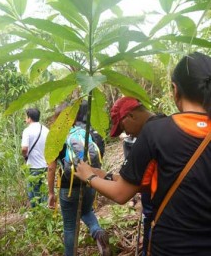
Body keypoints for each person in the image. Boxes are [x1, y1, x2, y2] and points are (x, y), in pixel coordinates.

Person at [75, 52, 211, 256]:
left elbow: (122, 194)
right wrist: (106, 175)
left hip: (170, 247)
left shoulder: (156, 132)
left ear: (175, 90)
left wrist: (89, 175)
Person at [48, 101, 111, 256]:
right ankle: (97, 232)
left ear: (58, 119)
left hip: (68, 186)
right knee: (86, 211)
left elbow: (51, 167)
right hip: (89, 181)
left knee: (70, 226)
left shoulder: (57, 138)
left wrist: (51, 193)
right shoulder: (85, 133)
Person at [110, 96, 164, 256]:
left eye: (122, 126)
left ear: (131, 115)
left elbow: (121, 195)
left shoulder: (147, 136)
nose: (126, 133)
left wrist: (89, 177)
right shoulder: (167, 124)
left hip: (160, 221)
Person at [21, 108, 49, 207]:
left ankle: (36, 214)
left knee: (32, 193)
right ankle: (45, 212)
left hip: (33, 166)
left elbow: (24, 149)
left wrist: (25, 156)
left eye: (26, 116)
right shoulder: (46, 130)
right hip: (45, 166)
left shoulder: (27, 131)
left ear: (29, 118)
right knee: (44, 191)